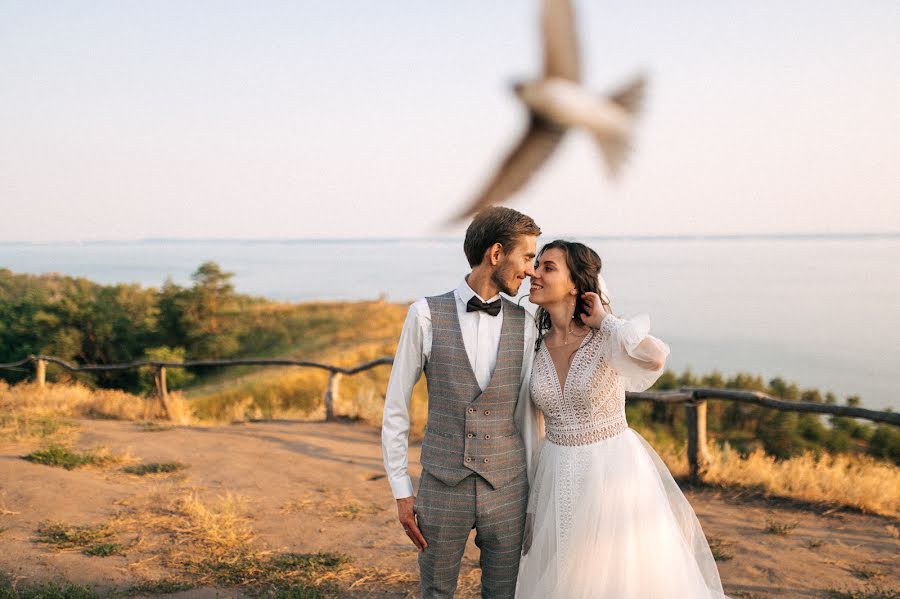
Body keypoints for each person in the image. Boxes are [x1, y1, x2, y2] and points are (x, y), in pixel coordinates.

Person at [515, 240, 728, 599]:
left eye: (547, 267)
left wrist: (606, 321)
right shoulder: (533, 345)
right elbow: (535, 423)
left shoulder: (605, 338)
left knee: (609, 577)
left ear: (574, 284)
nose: (534, 273)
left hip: (611, 473)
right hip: (554, 473)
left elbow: (655, 359)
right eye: (536, 264)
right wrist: (533, 498)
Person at [381, 207, 542, 598]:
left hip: (508, 488)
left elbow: (526, 416)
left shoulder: (527, 323)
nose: (532, 270)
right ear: (497, 253)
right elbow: (396, 408)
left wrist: (532, 494)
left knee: (504, 593)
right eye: (527, 257)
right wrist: (402, 491)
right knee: (435, 591)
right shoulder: (424, 316)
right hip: (441, 485)